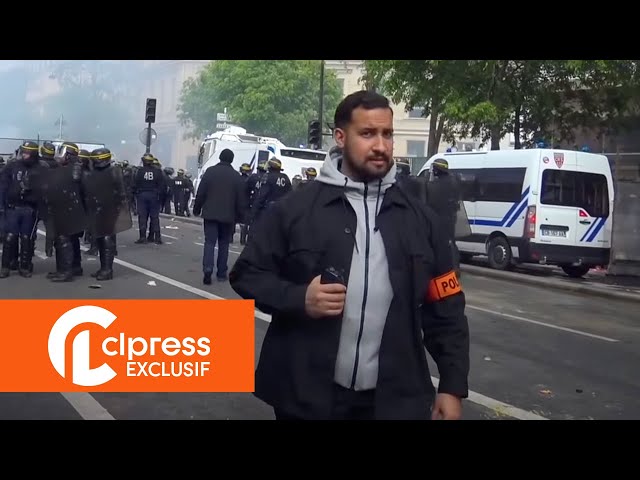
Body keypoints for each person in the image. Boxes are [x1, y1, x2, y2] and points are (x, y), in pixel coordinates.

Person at [229, 90, 470, 420]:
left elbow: (447, 306)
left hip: (393, 399)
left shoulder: (420, 218)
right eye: (368, 133)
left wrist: (452, 386)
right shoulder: (295, 210)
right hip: (304, 393)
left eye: (387, 134)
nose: (381, 146)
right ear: (341, 137)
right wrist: (300, 299)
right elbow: (247, 275)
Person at [192, 148, 246, 284]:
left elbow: (201, 192)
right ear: (232, 160)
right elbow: (241, 200)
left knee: (209, 243)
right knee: (224, 244)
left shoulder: (210, 172)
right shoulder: (236, 176)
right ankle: (221, 273)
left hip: (210, 214)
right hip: (228, 216)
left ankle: (208, 270)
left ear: (220, 158)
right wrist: (241, 218)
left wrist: (196, 209)